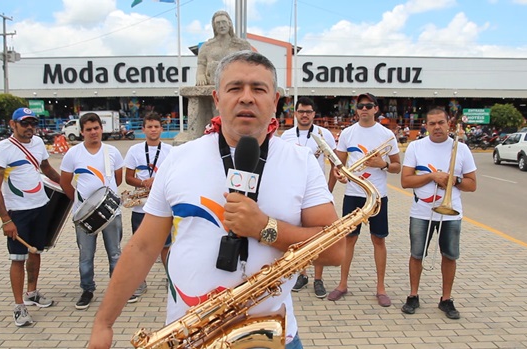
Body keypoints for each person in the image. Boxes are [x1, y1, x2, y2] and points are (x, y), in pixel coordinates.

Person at [87, 50, 344, 349]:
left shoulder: (301, 162)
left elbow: (335, 251)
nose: (246, 97)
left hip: (273, 339)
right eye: (235, 88)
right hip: (190, 337)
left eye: (258, 89)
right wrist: (103, 323)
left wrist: (265, 227)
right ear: (217, 98)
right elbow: (143, 247)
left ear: (275, 101)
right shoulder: (179, 159)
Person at [400, 107, 477, 320]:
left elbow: (472, 185)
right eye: (432, 123)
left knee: (450, 256)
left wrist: (455, 180)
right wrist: (433, 176)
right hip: (421, 212)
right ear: (426, 125)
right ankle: (413, 295)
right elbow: (405, 181)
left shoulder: (461, 149)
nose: (437, 127)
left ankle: (446, 299)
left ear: (448, 124)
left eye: (441, 123)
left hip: (451, 213)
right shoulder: (416, 147)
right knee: (416, 255)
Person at [0, 107, 61, 327]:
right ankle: (19, 306)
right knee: (18, 259)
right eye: (24, 123)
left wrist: (68, 188)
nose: (29, 127)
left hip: (40, 207)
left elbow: (47, 168)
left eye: (33, 123)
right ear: (13, 124)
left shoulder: (38, 143)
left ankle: (32, 293)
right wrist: (6, 220)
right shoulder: (2, 149)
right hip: (17, 213)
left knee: (35, 251)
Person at [329, 93, 401, 306]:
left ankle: (381, 288)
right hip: (353, 193)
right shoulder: (348, 133)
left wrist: (383, 164)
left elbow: (397, 166)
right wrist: (338, 176)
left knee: (378, 240)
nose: (364, 109)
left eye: (369, 106)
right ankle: (342, 284)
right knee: (349, 239)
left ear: (376, 109)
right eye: (360, 106)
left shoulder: (386, 134)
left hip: (377, 195)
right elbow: (338, 164)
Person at [59, 112, 124, 310]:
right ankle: (87, 289)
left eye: (96, 128)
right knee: (86, 256)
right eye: (89, 129)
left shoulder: (112, 152)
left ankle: (116, 291)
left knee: (115, 254)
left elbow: (118, 179)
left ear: (101, 129)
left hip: (111, 213)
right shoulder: (73, 153)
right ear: (81, 132)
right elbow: (64, 181)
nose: (93, 132)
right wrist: (82, 204)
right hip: (84, 216)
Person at [280, 96, 337, 299]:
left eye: (309, 112)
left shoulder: (325, 134)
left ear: (314, 114)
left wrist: (328, 190)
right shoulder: (285, 136)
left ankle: (318, 278)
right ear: (295, 113)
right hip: (294, 194)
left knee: (319, 237)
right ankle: (302, 274)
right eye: (301, 111)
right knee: (299, 237)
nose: (305, 115)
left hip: (317, 195)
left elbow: (335, 164)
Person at [123, 112, 172, 301]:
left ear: (161, 128)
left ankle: (170, 278)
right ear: (143, 129)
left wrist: (158, 182)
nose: (153, 130)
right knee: (140, 247)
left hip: (163, 207)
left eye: (156, 126)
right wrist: (144, 183)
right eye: (149, 126)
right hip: (140, 207)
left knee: (166, 246)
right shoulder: (135, 150)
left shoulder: (170, 151)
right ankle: (140, 282)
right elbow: (128, 178)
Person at [196, 10, 252, 86]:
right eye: (218, 23)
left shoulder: (242, 44)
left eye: (224, 22)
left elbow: (250, 64)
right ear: (214, 26)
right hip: (213, 82)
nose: (221, 25)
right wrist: (200, 75)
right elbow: (201, 64)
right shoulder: (206, 46)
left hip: (236, 81)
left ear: (229, 23)